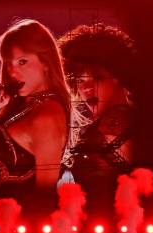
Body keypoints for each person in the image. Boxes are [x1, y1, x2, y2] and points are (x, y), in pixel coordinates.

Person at [0, 20, 79, 209]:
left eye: (22, 61)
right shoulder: (19, 105)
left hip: (12, 225)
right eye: (8, 64)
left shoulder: (47, 114)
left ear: (46, 63)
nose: (13, 72)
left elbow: (45, 193)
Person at [57, 23, 138, 212]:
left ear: (118, 75)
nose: (87, 88)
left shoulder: (117, 123)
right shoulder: (110, 122)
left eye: (97, 78)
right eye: (80, 81)